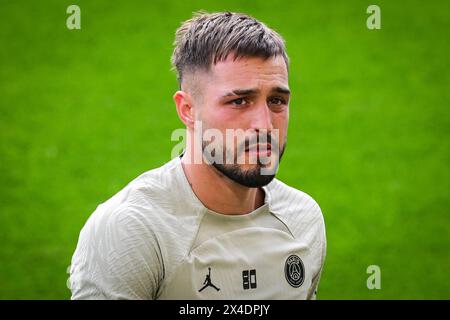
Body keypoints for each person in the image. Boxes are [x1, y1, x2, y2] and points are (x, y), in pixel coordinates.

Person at [70, 11, 326, 300]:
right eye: (239, 101)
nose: (265, 125)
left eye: (277, 101)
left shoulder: (304, 219)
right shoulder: (132, 230)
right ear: (187, 110)